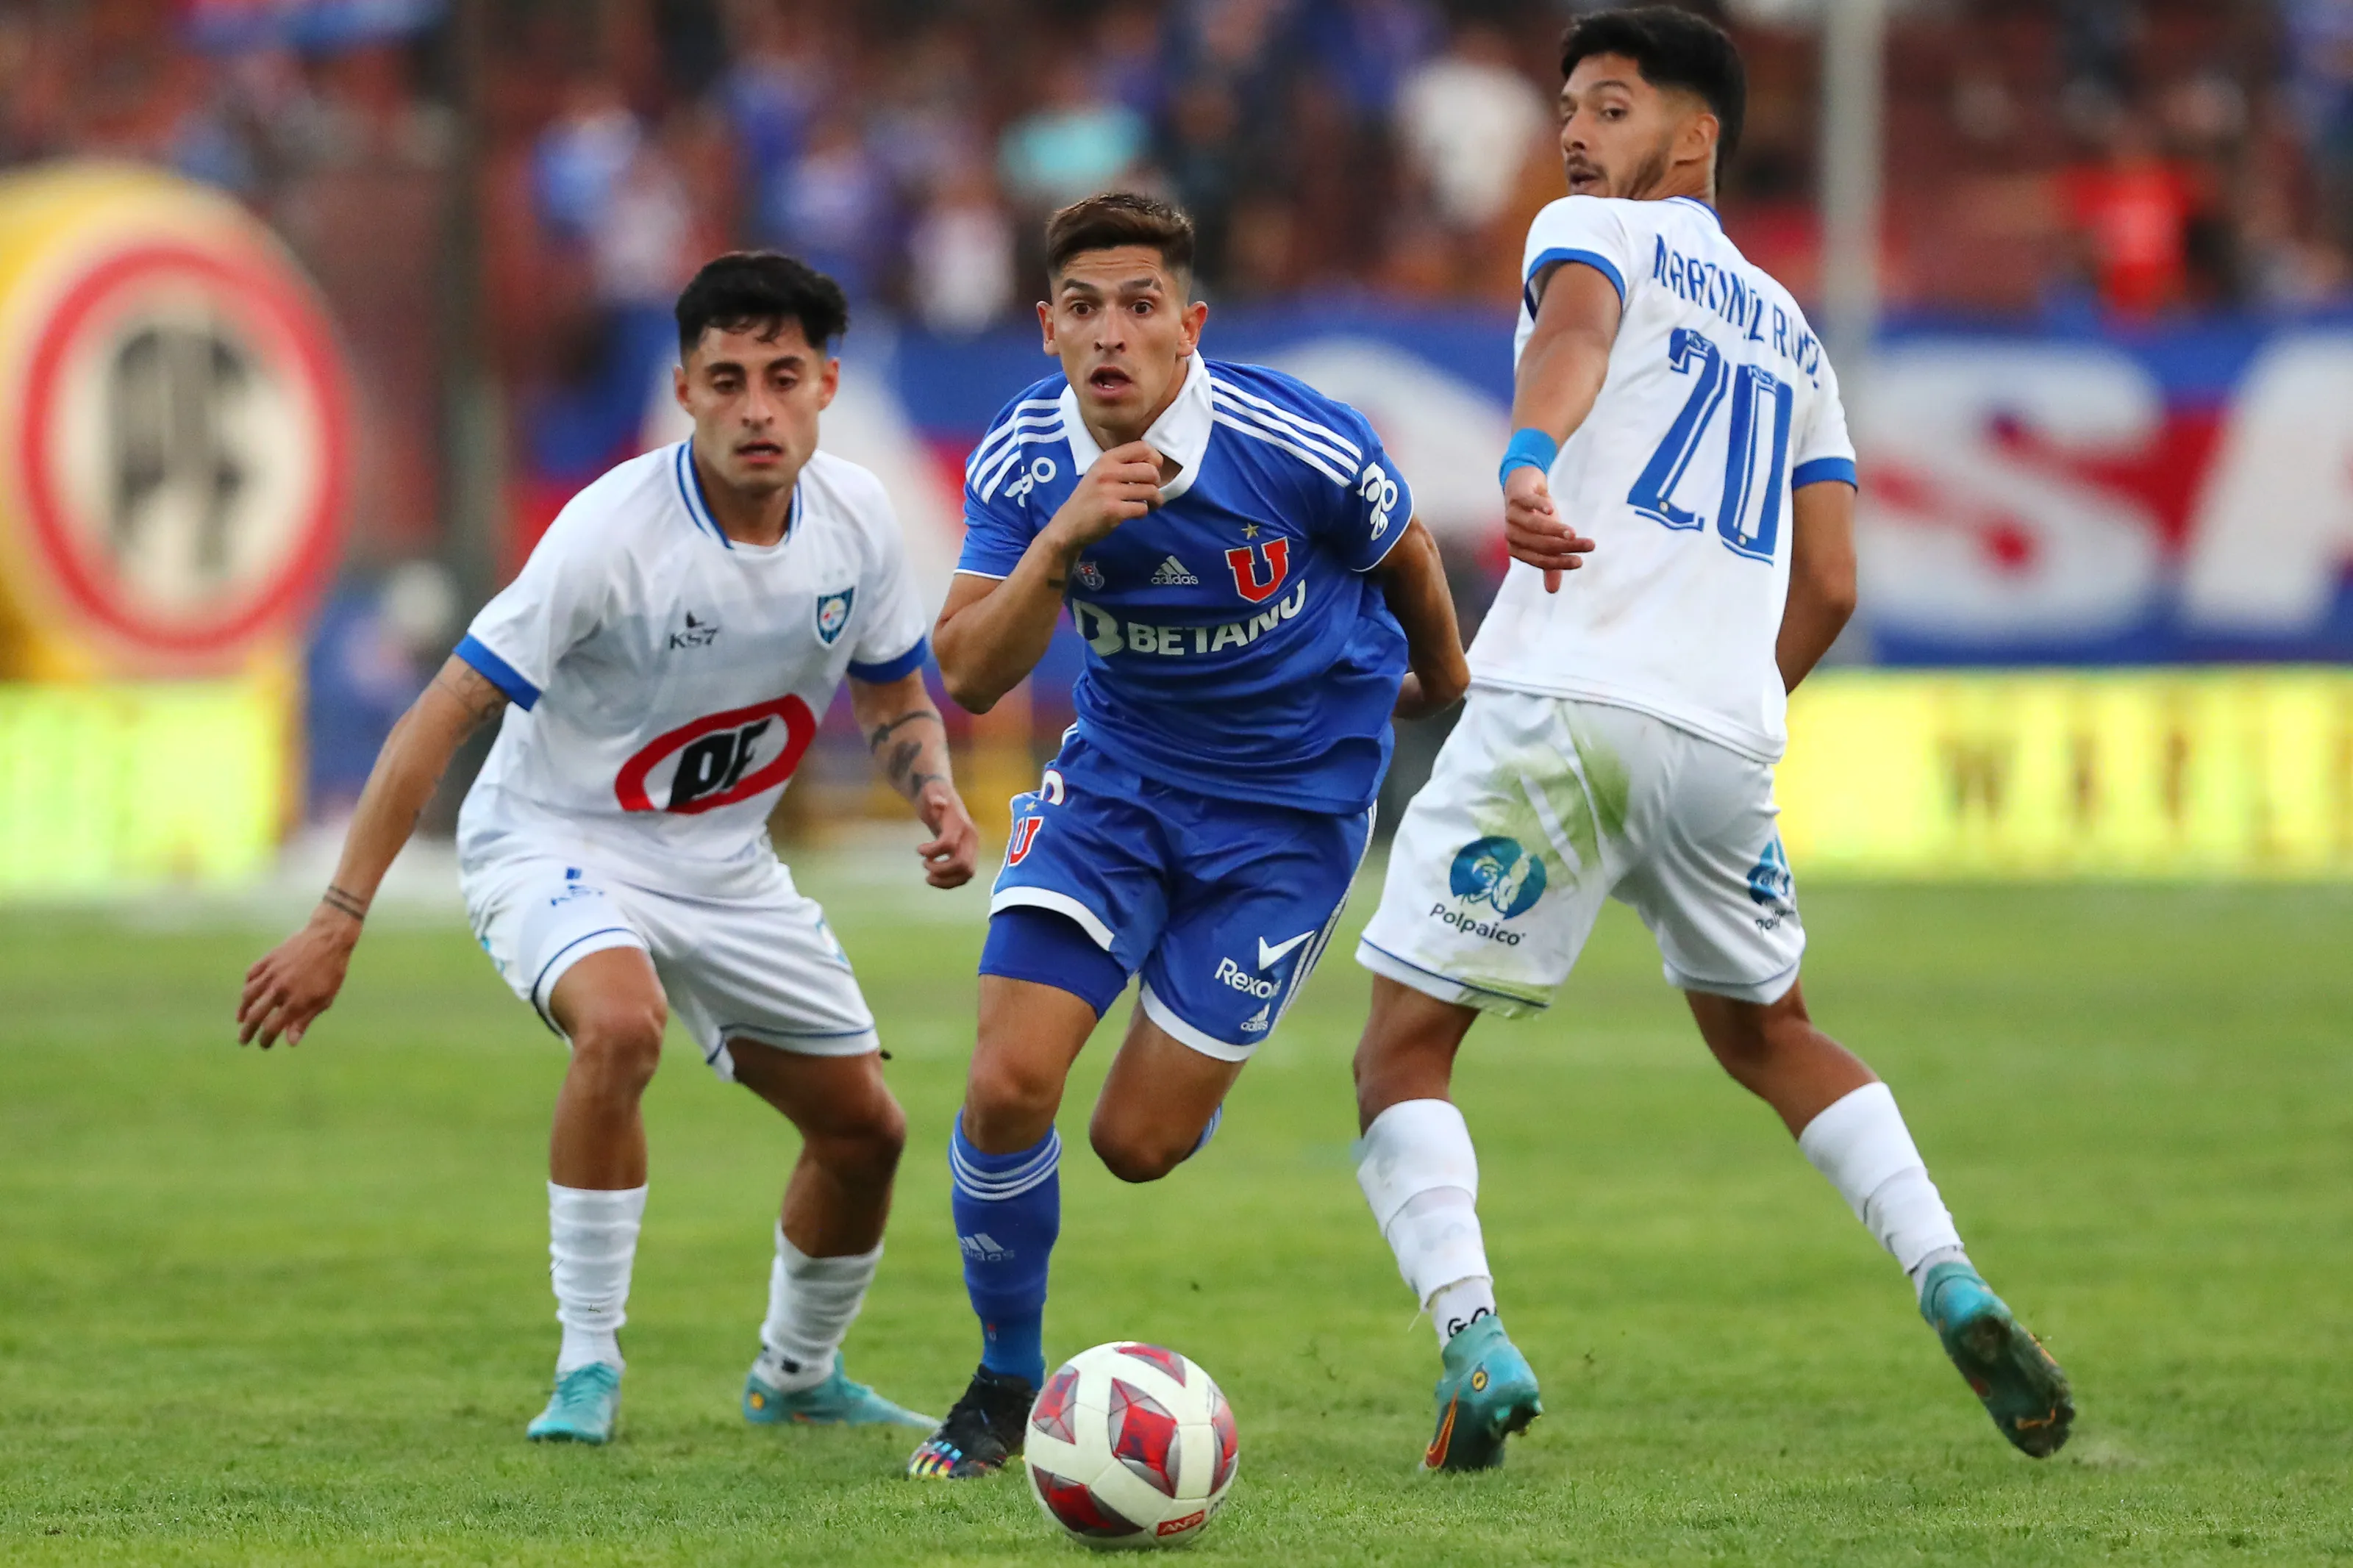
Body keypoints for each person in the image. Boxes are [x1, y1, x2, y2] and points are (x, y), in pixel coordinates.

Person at [1348, 7, 2074, 1472]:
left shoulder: (1591, 233)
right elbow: (1836, 584)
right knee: (1772, 1033)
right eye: (1567, 106)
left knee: (1401, 1051)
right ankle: (1947, 1273)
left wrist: (1527, 458)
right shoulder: (1795, 333)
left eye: (1609, 107)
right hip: (1720, 736)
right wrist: (1735, 709)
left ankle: (1472, 1335)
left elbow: (1572, 335)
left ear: (1693, 138)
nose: (1572, 132)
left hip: (1560, 700)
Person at [237, 251, 976, 1446]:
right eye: (726, 379)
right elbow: (442, 711)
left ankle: (796, 1374)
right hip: (554, 841)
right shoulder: (608, 534)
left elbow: (894, 704)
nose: (755, 408)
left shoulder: (862, 522)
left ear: (827, 385)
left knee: (866, 1133)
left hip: (724, 866)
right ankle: (588, 1365)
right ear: (682, 388)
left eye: (782, 378)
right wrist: (338, 914)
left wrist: (932, 792)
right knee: (620, 1025)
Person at [905, 191, 1470, 1479]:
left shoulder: (1294, 439)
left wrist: (1444, 689)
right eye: (1086, 309)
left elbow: (1411, 556)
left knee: (1134, 1146)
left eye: (1141, 306)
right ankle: (1002, 1383)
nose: (1113, 334)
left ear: (1190, 326)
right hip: (1120, 789)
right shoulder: (1025, 460)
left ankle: (1186, 1059)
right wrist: (1065, 537)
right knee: (1005, 1084)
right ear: (1048, 329)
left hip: (1288, 814)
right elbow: (972, 673)